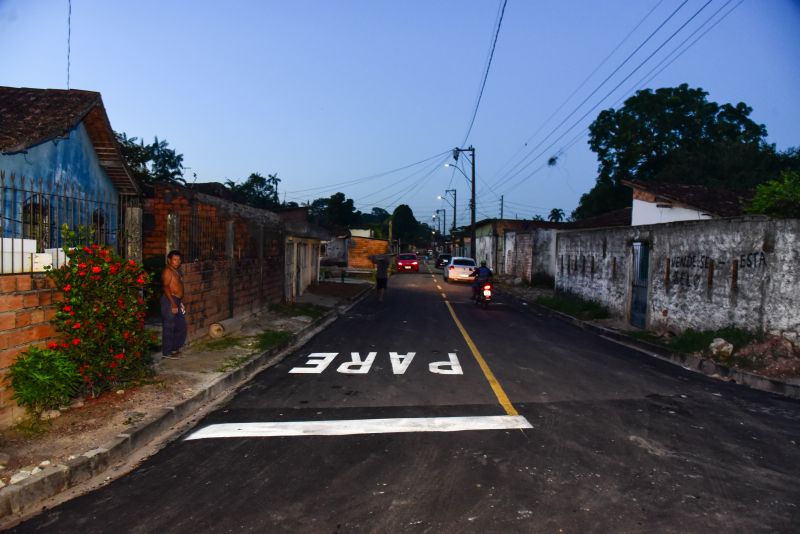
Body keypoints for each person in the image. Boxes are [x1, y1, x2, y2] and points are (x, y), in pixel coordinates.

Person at [161, 250, 187, 358]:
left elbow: (177, 287)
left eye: (179, 260)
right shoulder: (168, 271)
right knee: (169, 326)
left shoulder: (176, 270)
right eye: (175, 259)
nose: (177, 262)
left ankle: (174, 348)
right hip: (169, 300)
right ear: (169, 260)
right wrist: (173, 304)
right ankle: (167, 352)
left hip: (176, 300)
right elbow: (166, 287)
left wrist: (179, 302)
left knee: (181, 326)